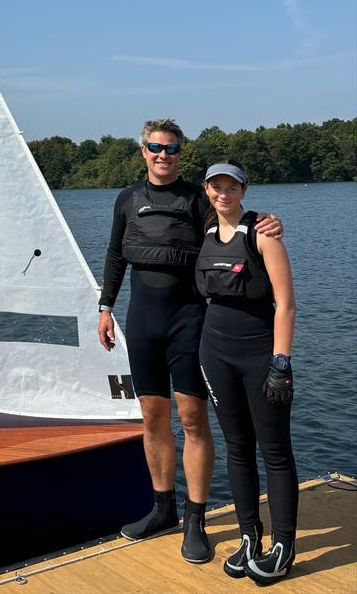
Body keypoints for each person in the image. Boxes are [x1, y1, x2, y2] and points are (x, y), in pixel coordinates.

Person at [97, 119, 282, 565]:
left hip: (189, 321)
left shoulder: (198, 198)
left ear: (180, 153)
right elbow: (116, 254)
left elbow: (232, 214)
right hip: (141, 323)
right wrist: (104, 307)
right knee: (152, 416)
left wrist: (265, 221)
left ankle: (195, 520)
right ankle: (163, 510)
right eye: (156, 147)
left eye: (172, 149)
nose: (164, 155)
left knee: (192, 417)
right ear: (143, 150)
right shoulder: (127, 199)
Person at [197, 161, 297, 585]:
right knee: (237, 448)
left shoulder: (263, 234)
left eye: (231, 187)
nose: (224, 193)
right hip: (214, 352)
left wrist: (281, 362)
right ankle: (249, 535)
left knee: (274, 450)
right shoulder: (205, 231)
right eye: (216, 186)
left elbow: (287, 304)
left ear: (244, 190)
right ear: (207, 190)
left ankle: (283, 545)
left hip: (259, 354)